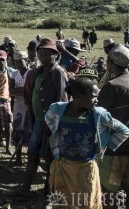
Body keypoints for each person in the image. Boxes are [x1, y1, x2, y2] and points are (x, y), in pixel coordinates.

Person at [46, 71, 129, 208]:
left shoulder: (98, 114)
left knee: (86, 202)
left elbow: (124, 130)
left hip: (86, 168)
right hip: (64, 166)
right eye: (94, 97)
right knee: (64, 201)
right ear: (78, 96)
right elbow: (48, 118)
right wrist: (55, 133)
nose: (97, 100)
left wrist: (105, 147)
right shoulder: (59, 109)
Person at [9, 38, 69, 198]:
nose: (43, 56)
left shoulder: (58, 73)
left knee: (50, 158)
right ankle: (25, 189)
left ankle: (48, 190)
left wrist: (53, 125)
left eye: (47, 54)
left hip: (52, 124)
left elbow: (62, 102)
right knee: (32, 154)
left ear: (55, 55)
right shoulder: (37, 72)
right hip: (38, 122)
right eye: (40, 53)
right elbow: (30, 96)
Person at [96, 44, 129, 199]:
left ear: (110, 63)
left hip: (114, 150)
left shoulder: (111, 86)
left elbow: (99, 118)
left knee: (109, 195)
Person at [9, 51, 30, 166]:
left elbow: (33, 90)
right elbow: (10, 91)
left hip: (29, 106)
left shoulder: (31, 73)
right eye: (15, 61)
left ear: (26, 61)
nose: (17, 64)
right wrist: (26, 89)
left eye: (20, 61)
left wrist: (19, 90)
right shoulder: (14, 74)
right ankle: (18, 158)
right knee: (18, 130)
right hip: (18, 106)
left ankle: (30, 158)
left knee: (30, 131)